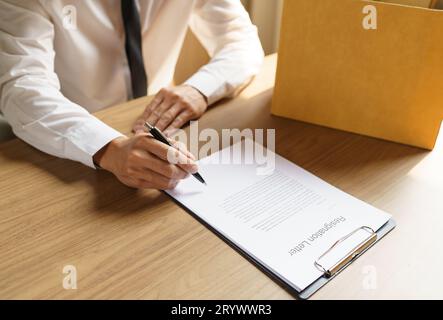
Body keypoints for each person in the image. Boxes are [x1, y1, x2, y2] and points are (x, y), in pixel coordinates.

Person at [0, 0, 264, 189]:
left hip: (157, 123)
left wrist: (200, 88)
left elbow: (242, 43)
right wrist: (107, 147)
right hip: (68, 138)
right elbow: (21, 85)